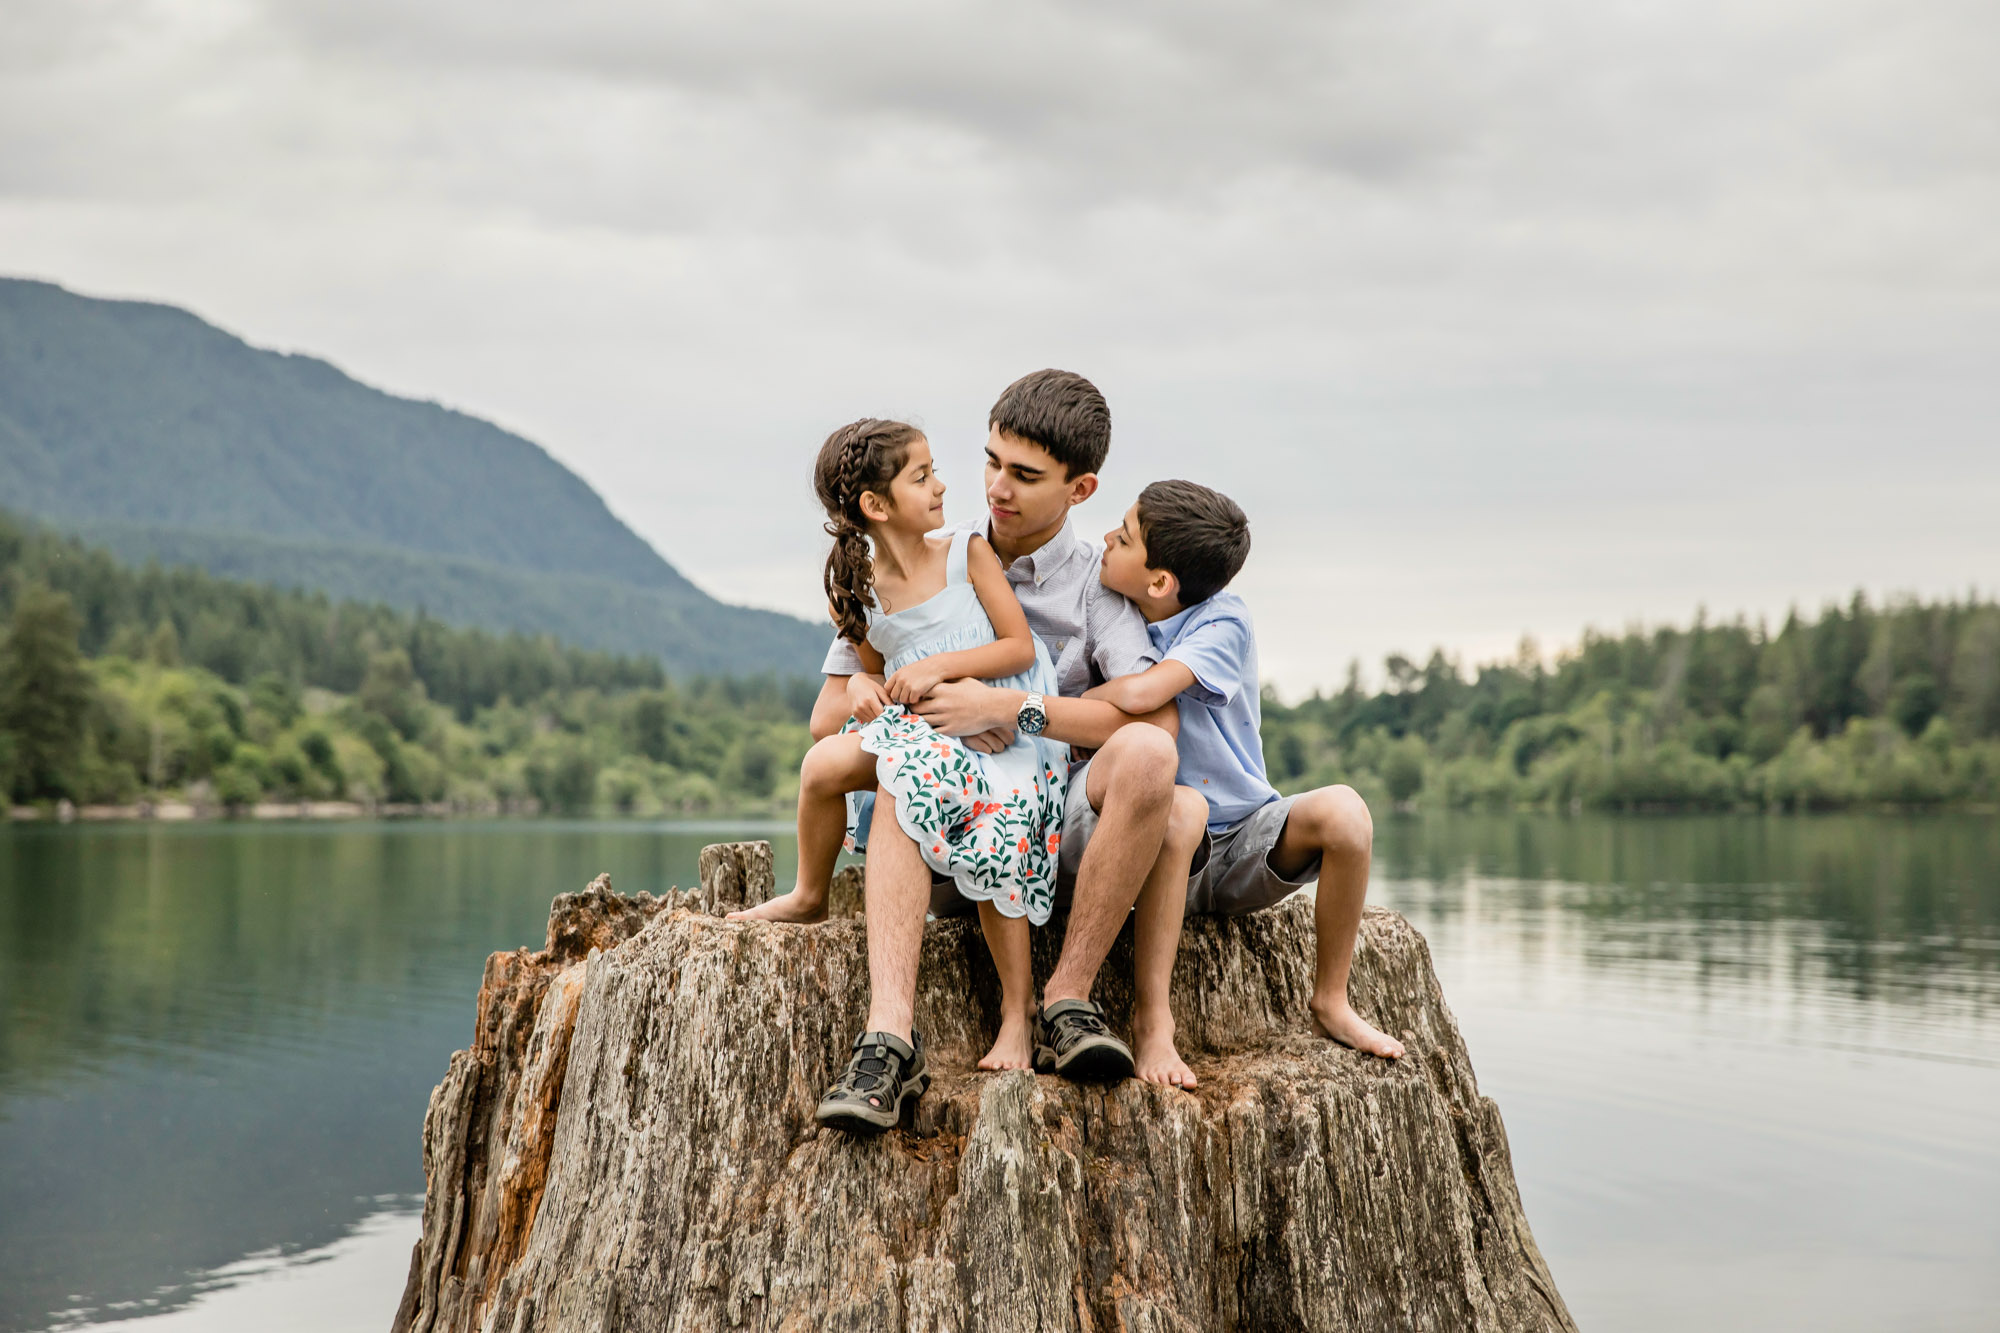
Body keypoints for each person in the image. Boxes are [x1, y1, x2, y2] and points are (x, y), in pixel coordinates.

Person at [773, 370, 1207, 1134]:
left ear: (1080, 489)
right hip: (932, 815)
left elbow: (1153, 727)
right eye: (991, 462)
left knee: (1146, 755)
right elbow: (845, 694)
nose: (996, 488)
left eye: (1025, 475)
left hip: (1044, 809)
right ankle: (888, 1038)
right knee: (906, 773)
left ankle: (1063, 1000)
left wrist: (1011, 707)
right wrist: (892, 699)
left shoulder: (1100, 587)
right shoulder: (913, 554)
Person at [727, 418, 1069, 1132]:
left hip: (1001, 736)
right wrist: (859, 690)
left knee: (965, 811)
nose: (942, 484)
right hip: (924, 733)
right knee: (823, 763)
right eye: (922, 475)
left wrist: (941, 667)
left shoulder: (964, 553)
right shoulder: (859, 591)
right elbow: (839, 705)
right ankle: (809, 892)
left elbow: (1017, 646)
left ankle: (1018, 1010)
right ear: (876, 506)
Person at [1085, 480, 1406, 1089]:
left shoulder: (1222, 617)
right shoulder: (1109, 615)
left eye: (1123, 536)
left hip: (1240, 842)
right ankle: (1154, 1022)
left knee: (1346, 812)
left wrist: (1084, 704)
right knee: (1180, 811)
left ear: (1160, 583)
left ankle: (1331, 999)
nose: (1106, 539)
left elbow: (1146, 694)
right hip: (1158, 842)